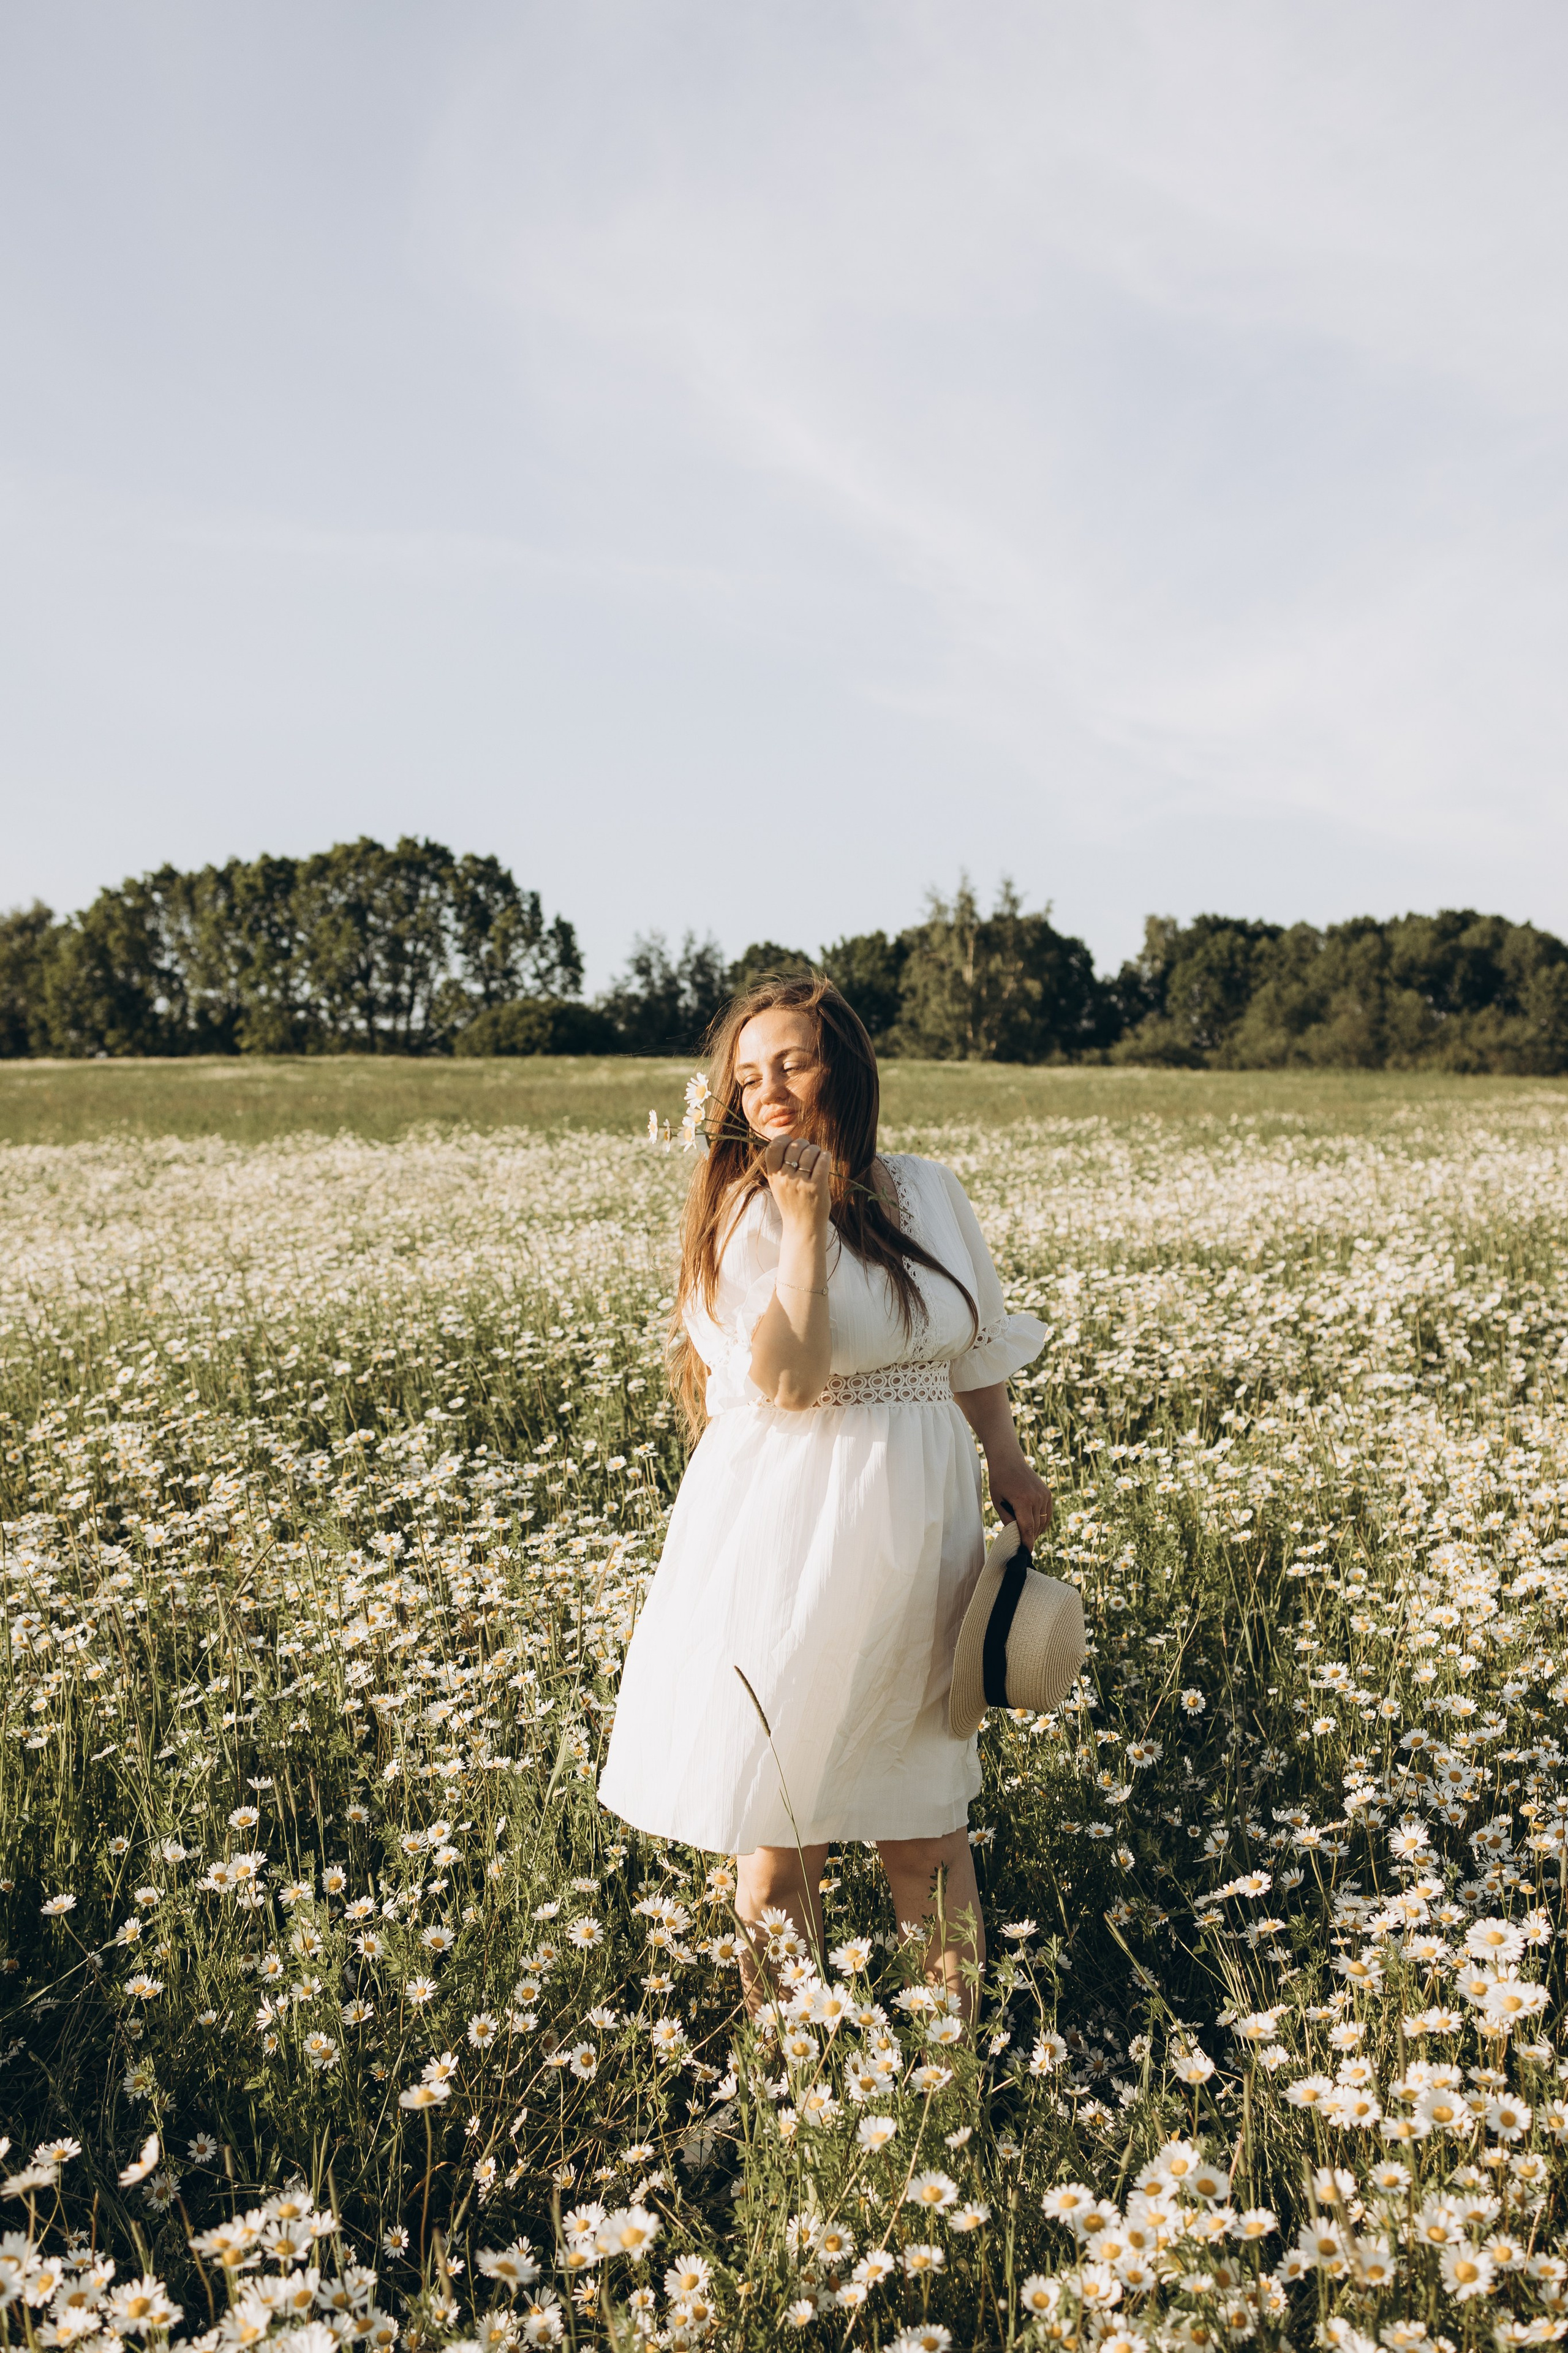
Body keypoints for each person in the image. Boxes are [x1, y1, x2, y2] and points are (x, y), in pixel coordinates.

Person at [597, 974, 1052, 2014]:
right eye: (748, 1075)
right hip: (791, 1533)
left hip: (920, 1525)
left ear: (842, 1065)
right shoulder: (744, 1217)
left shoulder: (930, 1188)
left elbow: (972, 1344)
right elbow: (793, 1380)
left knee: (925, 1831)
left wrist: (1007, 1458)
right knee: (781, 1838)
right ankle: (793, 2089)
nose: (770, 1090)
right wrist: (803, 1224)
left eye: (792, 1062)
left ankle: (947, 2087)